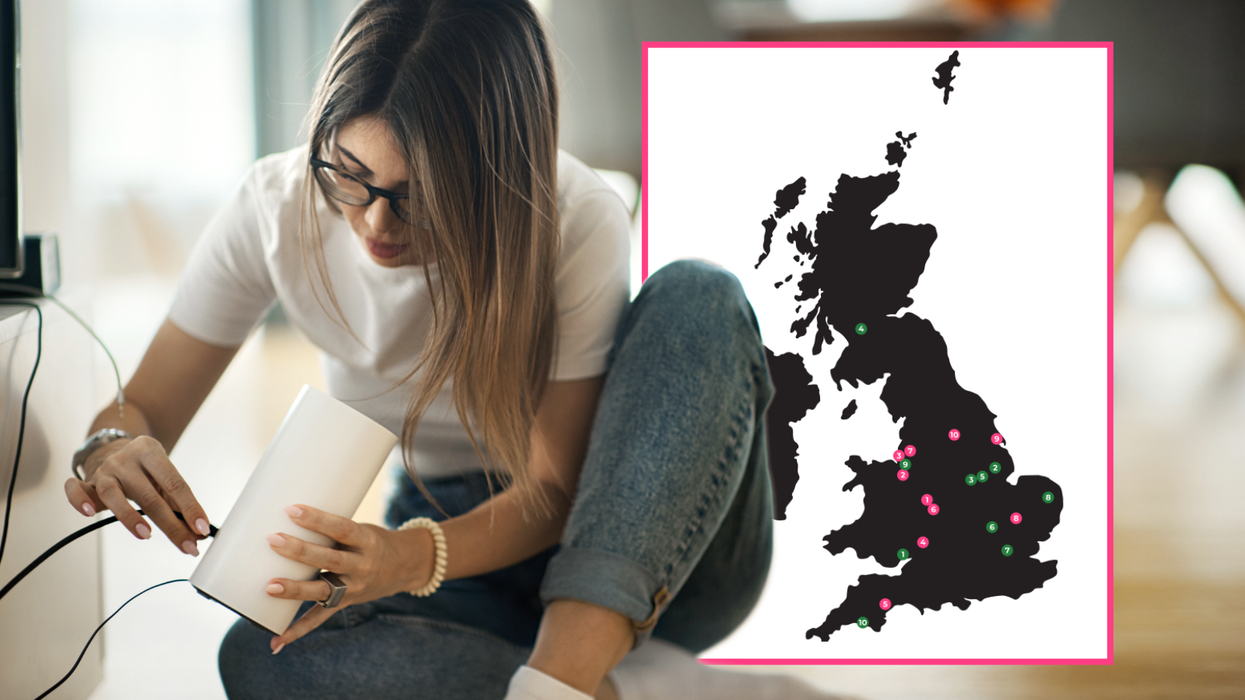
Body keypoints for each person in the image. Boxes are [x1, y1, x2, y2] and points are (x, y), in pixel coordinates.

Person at [65, 1, 845, 698]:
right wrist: (110, 447)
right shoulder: (275, 208)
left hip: (643, 538)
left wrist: (406, 559)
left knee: (699, 292)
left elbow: (552, 490)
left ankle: (575, 668)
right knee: (262, 658)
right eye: (352, 175)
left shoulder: (574, 216)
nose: (375, 224)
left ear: (499, 176)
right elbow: (145, 406)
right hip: (452, 551)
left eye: (420, 194)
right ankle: (621, 689)